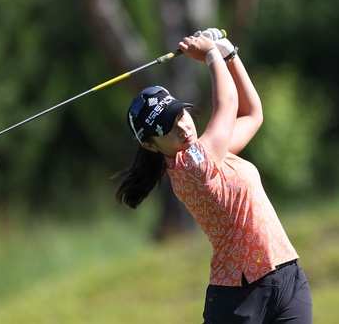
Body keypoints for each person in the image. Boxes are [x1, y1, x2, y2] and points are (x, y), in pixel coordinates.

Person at [114, 28, 313, 324]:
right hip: (239, 298)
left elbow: (252, 114)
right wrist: (211, 54)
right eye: (166, 129)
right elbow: (228, 105)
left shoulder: (209, 152)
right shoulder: (194, 165)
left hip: (287, 276)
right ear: (149, 145)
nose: (182, 128)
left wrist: (229, 54)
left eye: (179, 114)